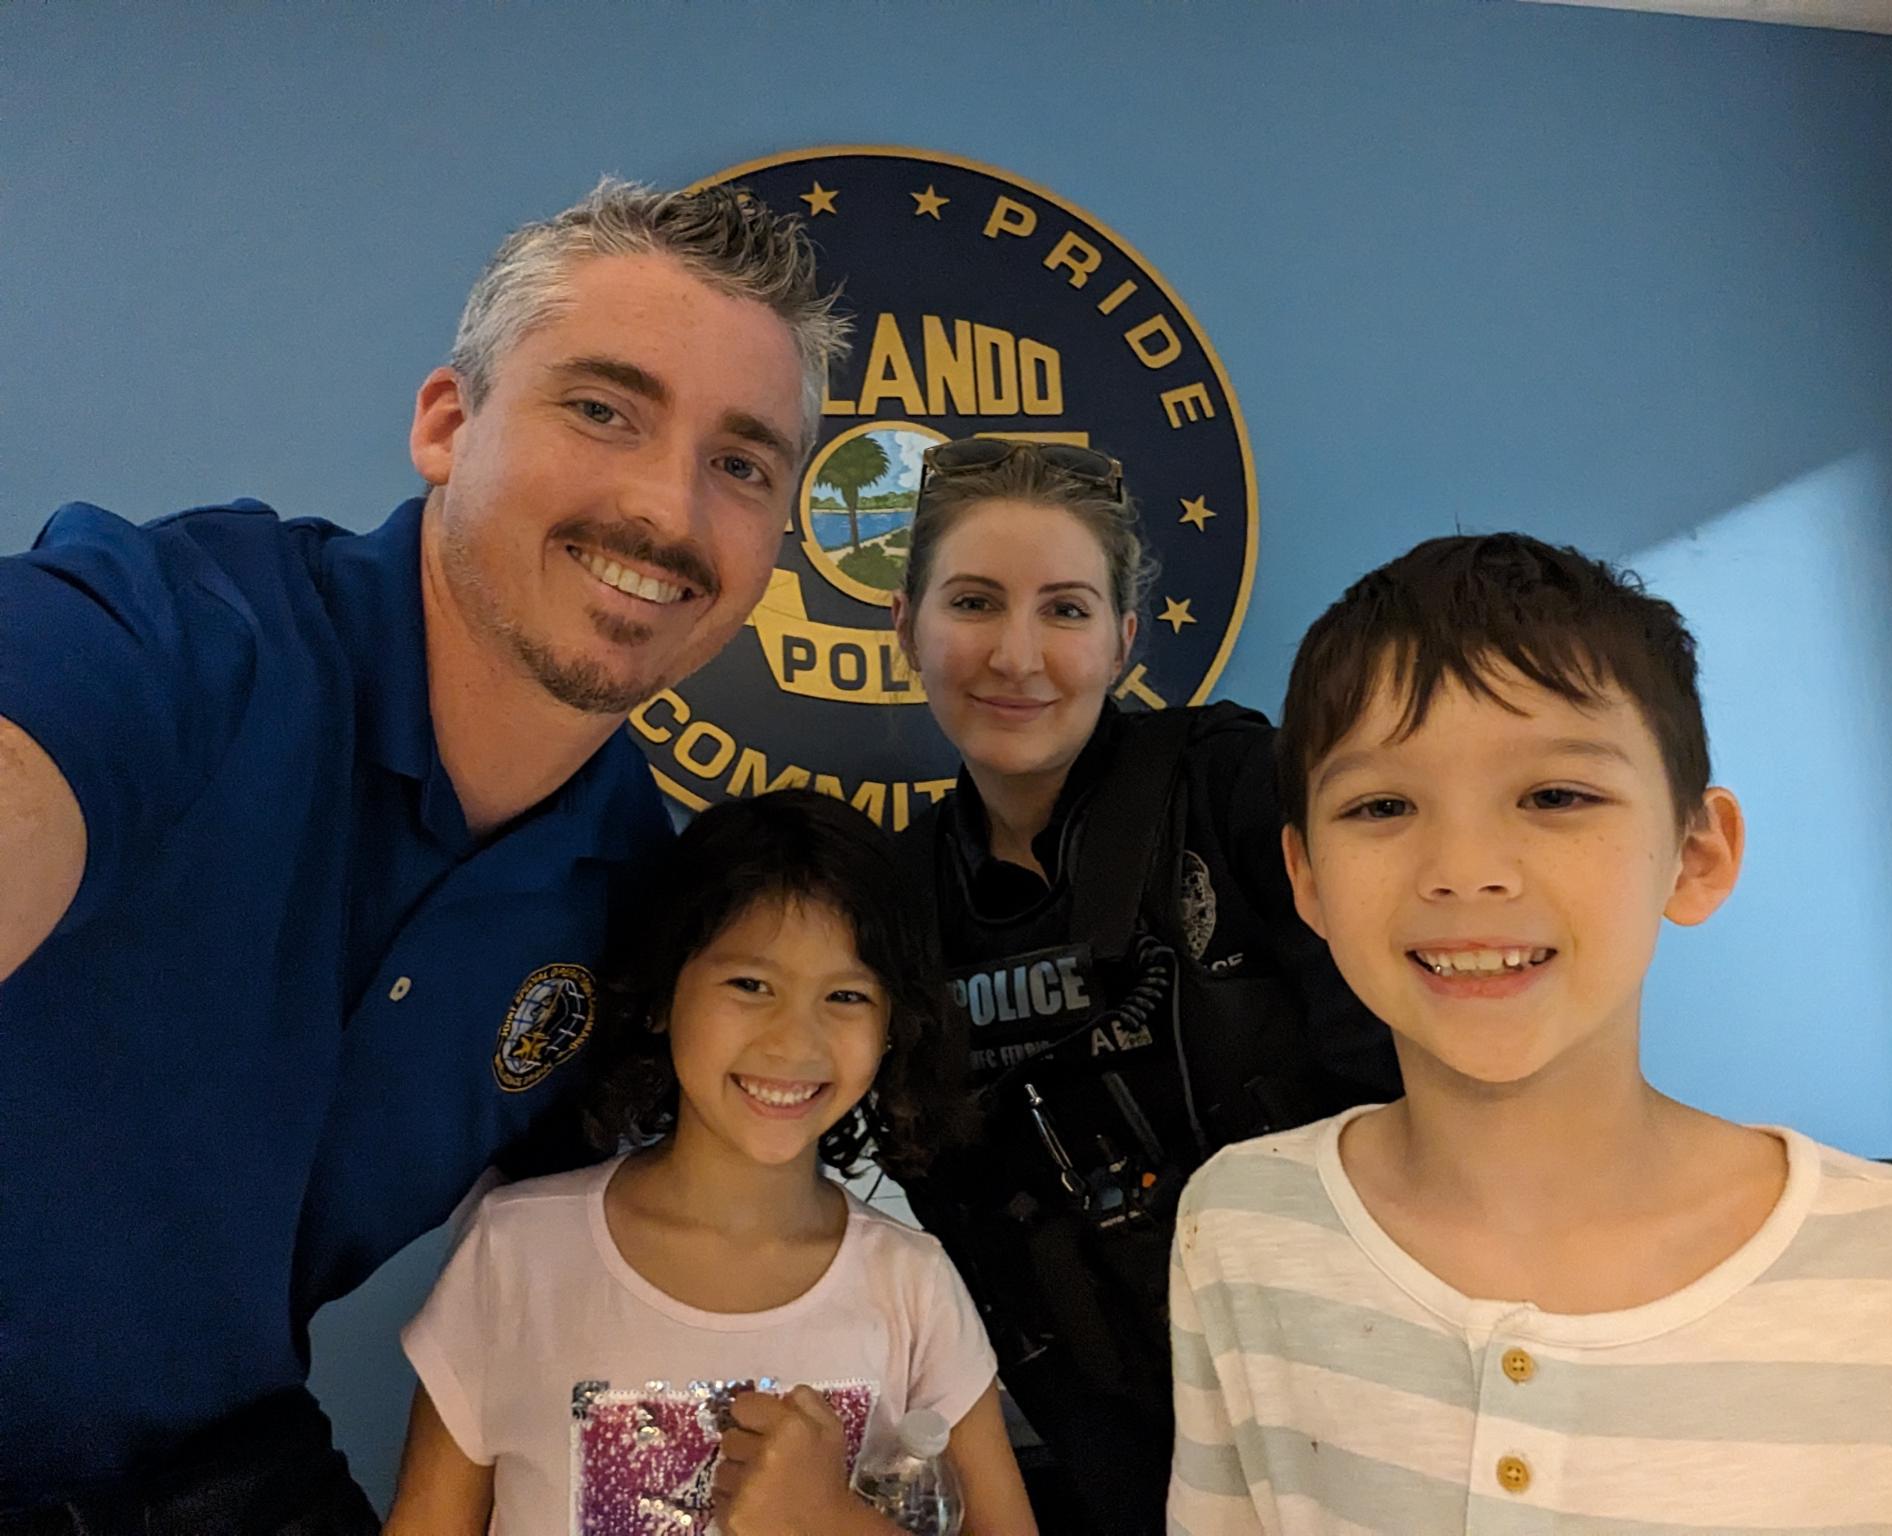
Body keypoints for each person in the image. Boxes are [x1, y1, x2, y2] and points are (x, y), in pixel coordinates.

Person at [0, 179, 846, 1530]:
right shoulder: (187, 636)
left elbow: (630, 1270)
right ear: (448, 424)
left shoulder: (639, 891)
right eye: (604, 409)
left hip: (210, 1462)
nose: (668, 509)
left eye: (741, 463)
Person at [1168, 533, 1892, 1533]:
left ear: (1694, 855)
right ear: (1307, 880)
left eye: (1553, 796)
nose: (1463, 869)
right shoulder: (1237, 1229)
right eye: (1381, 804)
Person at [885, 439, 1403, 1536]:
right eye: (973, 601)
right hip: (1113, 1442)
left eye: (1064, 611)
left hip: (1371, 1395)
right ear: (904, 628)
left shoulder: (1233, 791)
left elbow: (1412, 1085)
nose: (1016, 656)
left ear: (1122, 641)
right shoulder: (893, 901)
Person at [383, 790, 1037, 1536]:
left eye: (847, 995)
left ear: (895, 1024)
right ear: (663, 991)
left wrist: (830, 1522)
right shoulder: (515, 1252)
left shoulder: (911, 1285)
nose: (796, 1041)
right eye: (751, 984)